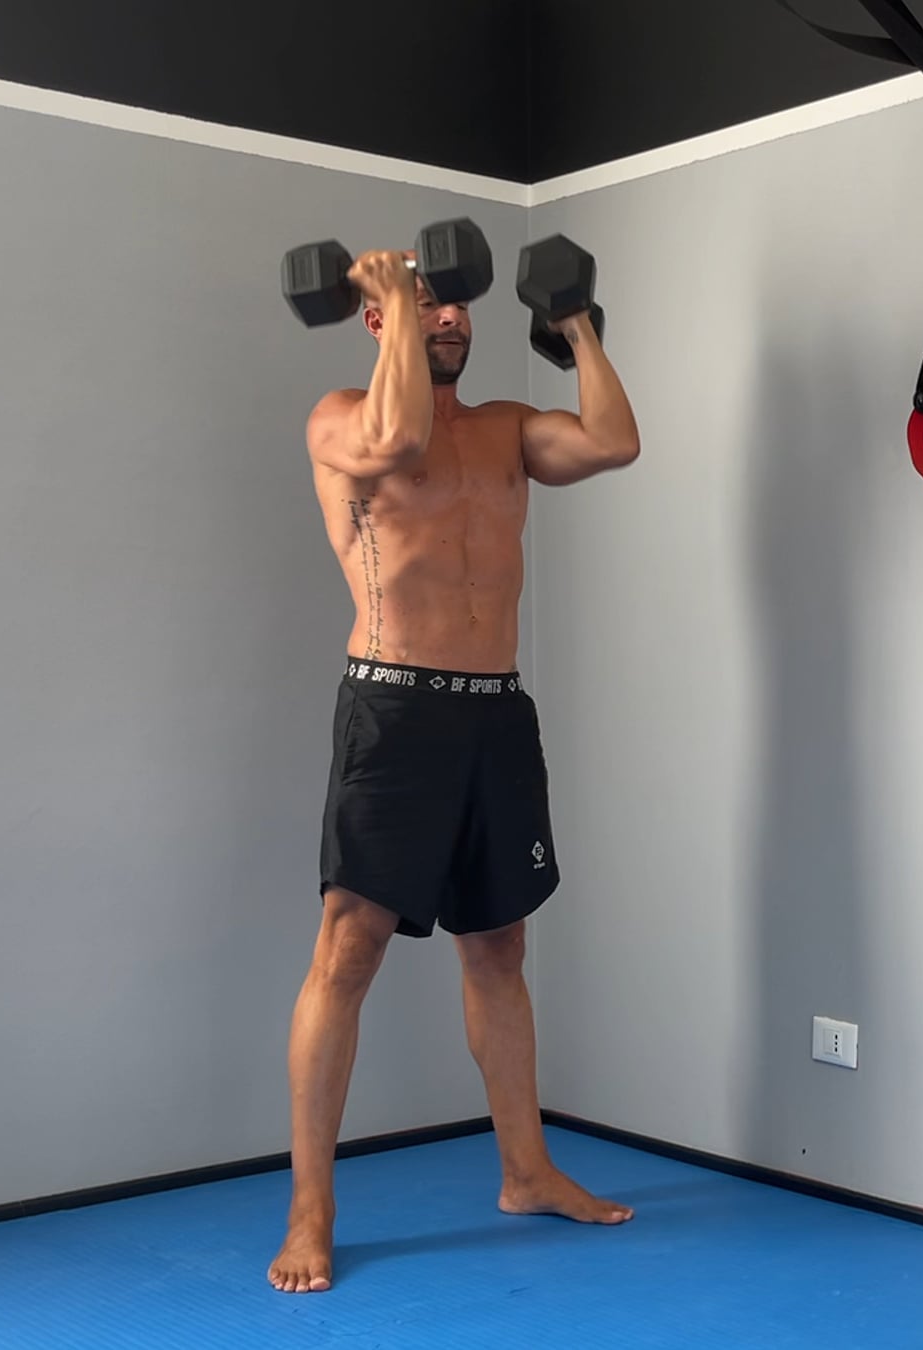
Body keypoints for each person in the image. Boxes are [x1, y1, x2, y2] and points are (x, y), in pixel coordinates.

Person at [269, 246, 641, 1295]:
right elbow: (395, 438)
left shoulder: (507, 428)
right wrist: (393, 293)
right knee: (349, 950)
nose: (449, 318)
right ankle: (311, 1210)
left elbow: (613, 441)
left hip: (495, 715)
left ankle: (527, 1172)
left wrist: (575, 325)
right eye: (426, 304)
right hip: (393, 710)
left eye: (455, 305)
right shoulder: (341, 419)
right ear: (379, 320)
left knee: (500, 946)